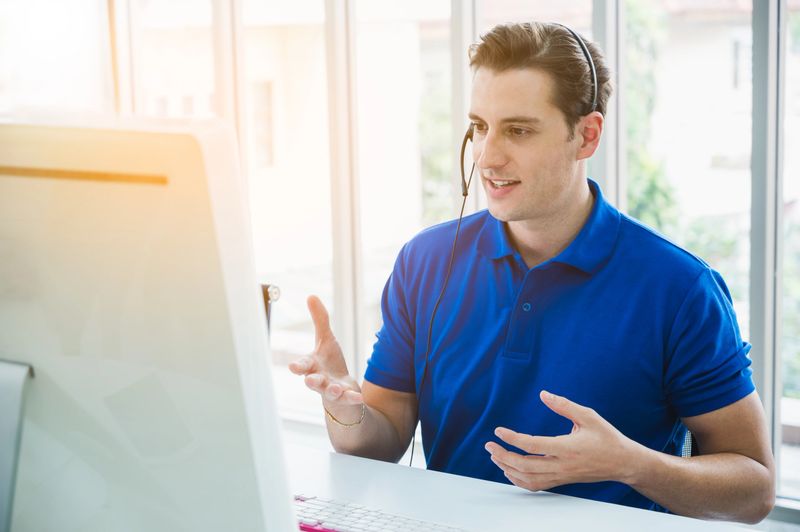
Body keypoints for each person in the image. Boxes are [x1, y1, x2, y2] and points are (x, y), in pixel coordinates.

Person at [289, 21, 775, 524]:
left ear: (586, 135)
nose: (487, 156)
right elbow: (381, 443)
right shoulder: (425, 261)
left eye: (518, 130)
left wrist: (633, 465)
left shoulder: (678, 288)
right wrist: (346, 412)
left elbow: (754, 491)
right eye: (479, 126)